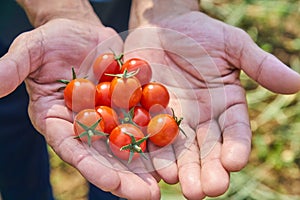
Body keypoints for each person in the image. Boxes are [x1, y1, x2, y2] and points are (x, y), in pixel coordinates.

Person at [0, 1, 299, 200]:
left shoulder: (124, 108)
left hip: (120, 12)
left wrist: (170, 7)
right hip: (12, 26)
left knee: (117, 174)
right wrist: (56, 9)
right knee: (14, 147)